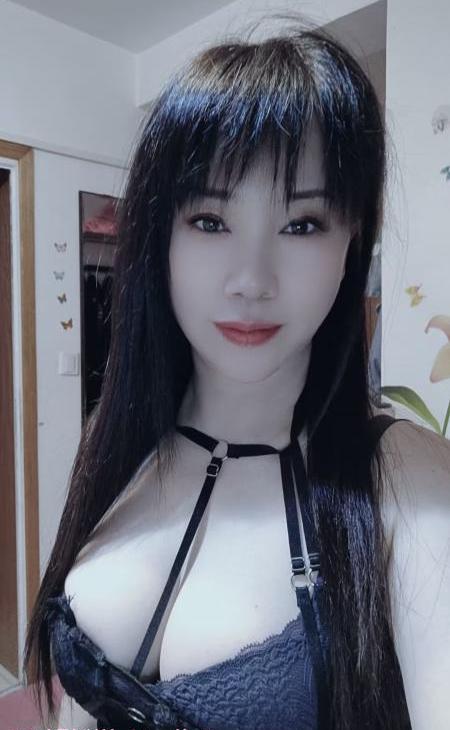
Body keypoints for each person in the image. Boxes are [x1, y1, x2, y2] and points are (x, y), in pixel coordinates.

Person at [23, 17, 450, 730]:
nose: (251, 280)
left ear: (352, 241)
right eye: (210, 221)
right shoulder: (117, 438)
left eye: (302, 224)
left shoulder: (406, 482)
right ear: (160, 234)